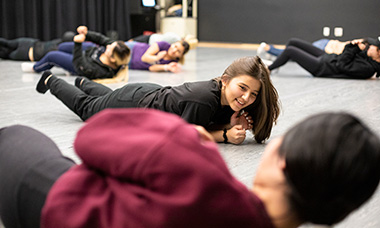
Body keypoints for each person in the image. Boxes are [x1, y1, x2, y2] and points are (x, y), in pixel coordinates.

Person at [1, 109, 380, 228]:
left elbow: (92, 136)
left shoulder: (198, 168)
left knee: (14, 137)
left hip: (58, 207)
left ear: (283, 160)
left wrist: (180, 133)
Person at [35, 56, 280, 144]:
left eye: (254, 94)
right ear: (226, 80)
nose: (247, 97)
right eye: (242, 88)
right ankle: (50, 81)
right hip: (134, 104)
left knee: (106, 99)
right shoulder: (204, 99)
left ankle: (84, 84)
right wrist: (224, 135)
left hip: (147, 93)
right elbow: (183, 136)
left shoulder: (220, 96)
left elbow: (199, 124)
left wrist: (228, 123)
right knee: (87, 110)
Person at [22, 26, 130, 80]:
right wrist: (86, 33)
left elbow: (80, 64)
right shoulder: (113, 48)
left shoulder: (100, 71)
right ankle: (65, 64)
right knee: (62, 47)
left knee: (52, 56)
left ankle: (35, 67)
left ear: (112, 59)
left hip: (79, 65)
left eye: (110, 48)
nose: (108, 45)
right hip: (86, 53)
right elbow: (100, 39)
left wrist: (78, 44)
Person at [267, 37, 380, 79]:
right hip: (326, 58)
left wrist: (353, 49)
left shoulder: (368, 69)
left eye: (373, 46)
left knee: (290, 51)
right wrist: (355, 45)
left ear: (379, 52)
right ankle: (280, 62)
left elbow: (342, 65)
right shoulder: (368, 59)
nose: (369, 47)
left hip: (322, 68)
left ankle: (269, 69)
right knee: (293, 42)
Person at [124, 38, 190, 73]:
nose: (174, 50)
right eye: (175, 46)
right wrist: (157, 57)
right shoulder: (163, 45)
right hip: (132, 49)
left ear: (181, 55)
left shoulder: (172, 62)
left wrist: (167, 67)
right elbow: (144, 58)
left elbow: (151, 68)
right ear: (173, 44)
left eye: (178, 51)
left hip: (131, 64)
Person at [0, 31, 74, 61]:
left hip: (28, 43)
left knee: (7, 43)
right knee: (6, 54)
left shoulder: (58, 41)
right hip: (28, 54)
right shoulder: (61, 51)